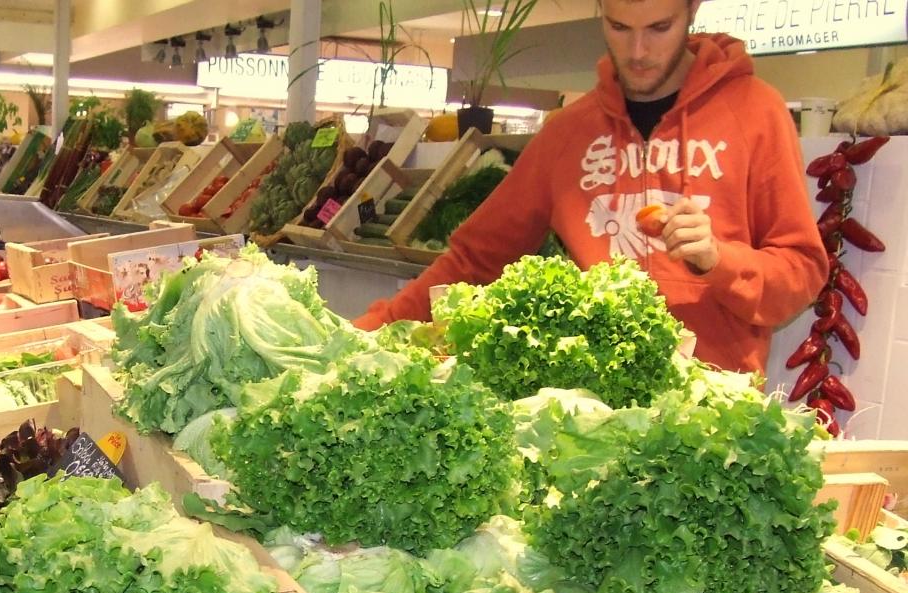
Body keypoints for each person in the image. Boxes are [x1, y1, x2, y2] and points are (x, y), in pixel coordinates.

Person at [354, 0, 827, 376]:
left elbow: (801, 272)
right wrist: (372, 329)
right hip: (594, 413)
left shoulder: (756, 112)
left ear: (693, 10)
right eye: (620, 27)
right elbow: (474, 258)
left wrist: (719, 261)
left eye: (659, 28)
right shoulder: (568, 132)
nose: (638, 51)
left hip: (714, 414)